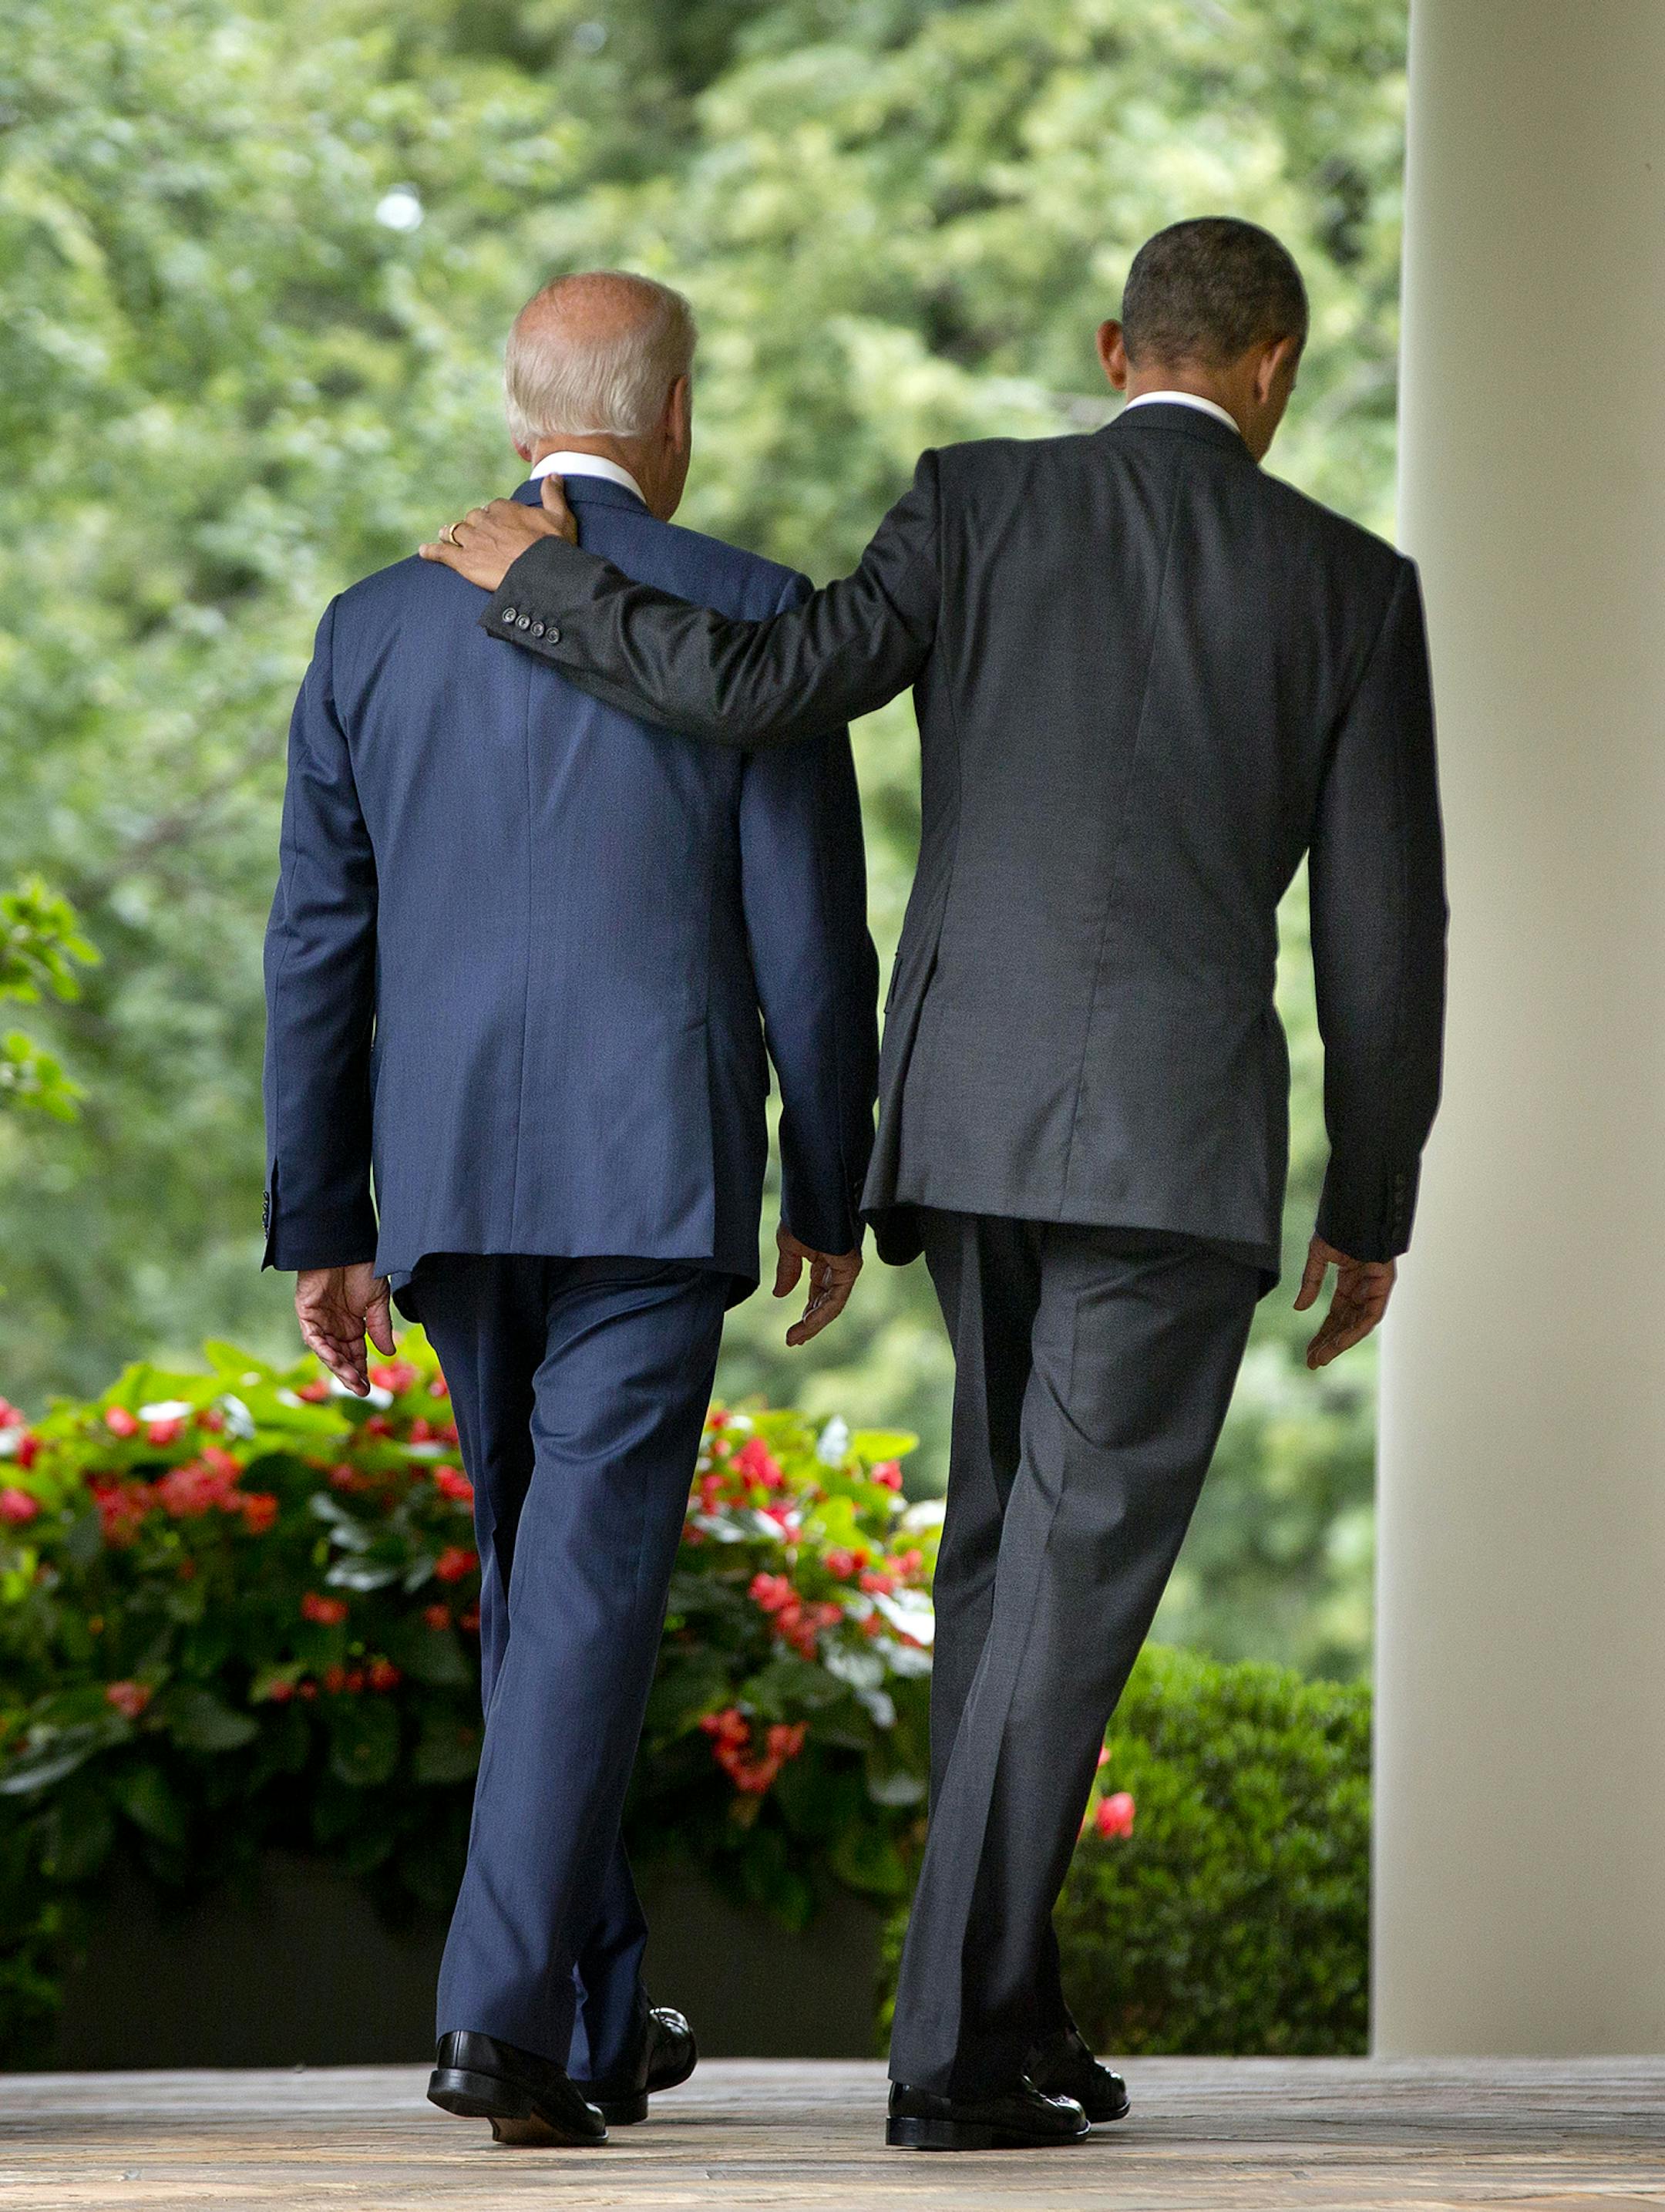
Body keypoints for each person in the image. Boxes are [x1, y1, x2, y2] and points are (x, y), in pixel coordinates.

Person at [422, 215, 1448, 2153]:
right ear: (1277, 367)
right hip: (1169, 1156)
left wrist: (560, 597)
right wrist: (1372, 1196)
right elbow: (1386, 944)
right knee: (1061, 1586)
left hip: (966, 1128)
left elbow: (776, 683)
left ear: (1106, 339)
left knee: (1006, 1563)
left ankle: (1016, 2000)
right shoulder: (1349, 583)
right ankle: (953, 2058)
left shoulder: (974, 503)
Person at [262, 270, 878, 2146]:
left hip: (444, 1181)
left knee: (551, 1587)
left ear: (517, 408)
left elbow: (318, 945)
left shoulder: (371, 629)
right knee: (588, 1584)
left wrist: (327, 1216)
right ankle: (499, 2023)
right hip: (654, 1170)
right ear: (671, 411)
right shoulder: (758, 616)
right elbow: (812, 942)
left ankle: (595, 2013)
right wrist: (835, 1183)